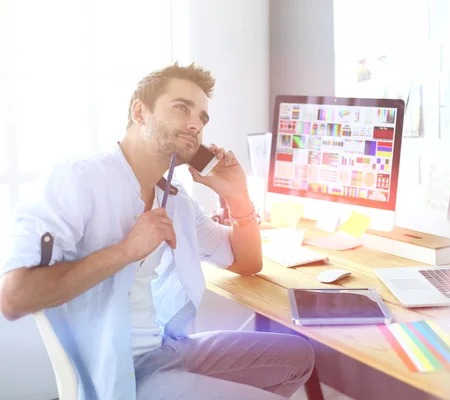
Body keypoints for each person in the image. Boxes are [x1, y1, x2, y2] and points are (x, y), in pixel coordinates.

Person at [0, 62, 314, 400]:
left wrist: (237, 195)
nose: (196, 124)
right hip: (122, 375)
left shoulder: (175, 200)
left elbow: (247, 262)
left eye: (203, 118)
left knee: (298, 357)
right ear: (140, 112)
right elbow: (14, 298)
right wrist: (127, 250)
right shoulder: (78, 180)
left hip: (164, 350)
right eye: (181, 108)